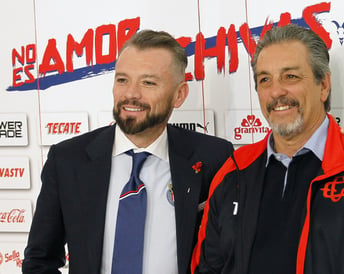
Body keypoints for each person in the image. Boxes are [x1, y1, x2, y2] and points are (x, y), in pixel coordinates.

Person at [191, 24, 344, 274]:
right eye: (265, 80)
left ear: (324, 85)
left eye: (291, 77)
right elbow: (207, 266)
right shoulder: (234, 170)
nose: (276, 92)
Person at [22, 29, 234, 274]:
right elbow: (39, 260)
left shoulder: (213, 157)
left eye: (148, 82)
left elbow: (227, 256)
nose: (131, 93)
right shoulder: (68, 160)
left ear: (179, 95)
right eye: (122, 80)